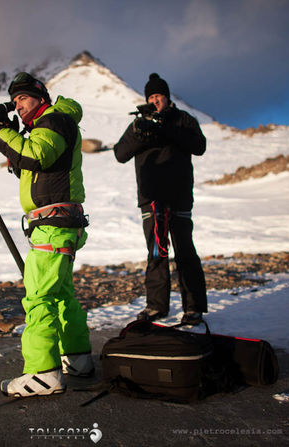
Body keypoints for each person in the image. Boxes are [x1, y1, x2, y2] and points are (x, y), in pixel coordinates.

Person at [0, 72, 93, 398]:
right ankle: (78, 359)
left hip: (53, 226)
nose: (18, 105)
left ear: (40, 97)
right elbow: (33, 167)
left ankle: (43, 374)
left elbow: (37, 155)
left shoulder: (54, 121)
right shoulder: (48, 126)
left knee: (39, 298)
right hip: (58, 223)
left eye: (22, 98)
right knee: (62, 296)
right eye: (14, 101)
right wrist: (7, 140)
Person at [113, 73, 207, 325]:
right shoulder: (139, 122)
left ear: (167, 97)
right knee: (156, 252)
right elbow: (120, 153)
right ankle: (156, 307)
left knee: (185, 252)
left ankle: (193, 308)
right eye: (151, 97)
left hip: (178, 197)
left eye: (159, 96)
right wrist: (139, 131)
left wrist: (166, 127)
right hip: (150, 198)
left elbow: (199, 146)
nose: (155, 101)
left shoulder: (183, 119)